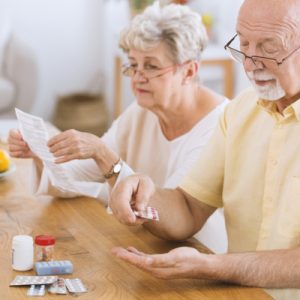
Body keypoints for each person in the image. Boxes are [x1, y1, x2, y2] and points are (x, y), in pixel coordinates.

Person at [109, 0, 300, 299]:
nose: (250, 63)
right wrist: (145, 191)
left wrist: (213, 266)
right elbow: (188, 208)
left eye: (269, 47)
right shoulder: (238, 113)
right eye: (244, 44)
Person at [8, 4, 228, 252]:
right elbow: (79, 178)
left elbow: (175, 223)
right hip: (144, 245)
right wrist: (41, 153)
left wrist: (103, 154)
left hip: (196, 255)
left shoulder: (219, 124)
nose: (137, 77)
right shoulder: (142, 110)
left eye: (152, 66)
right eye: (133, 65)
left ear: (188, 71)